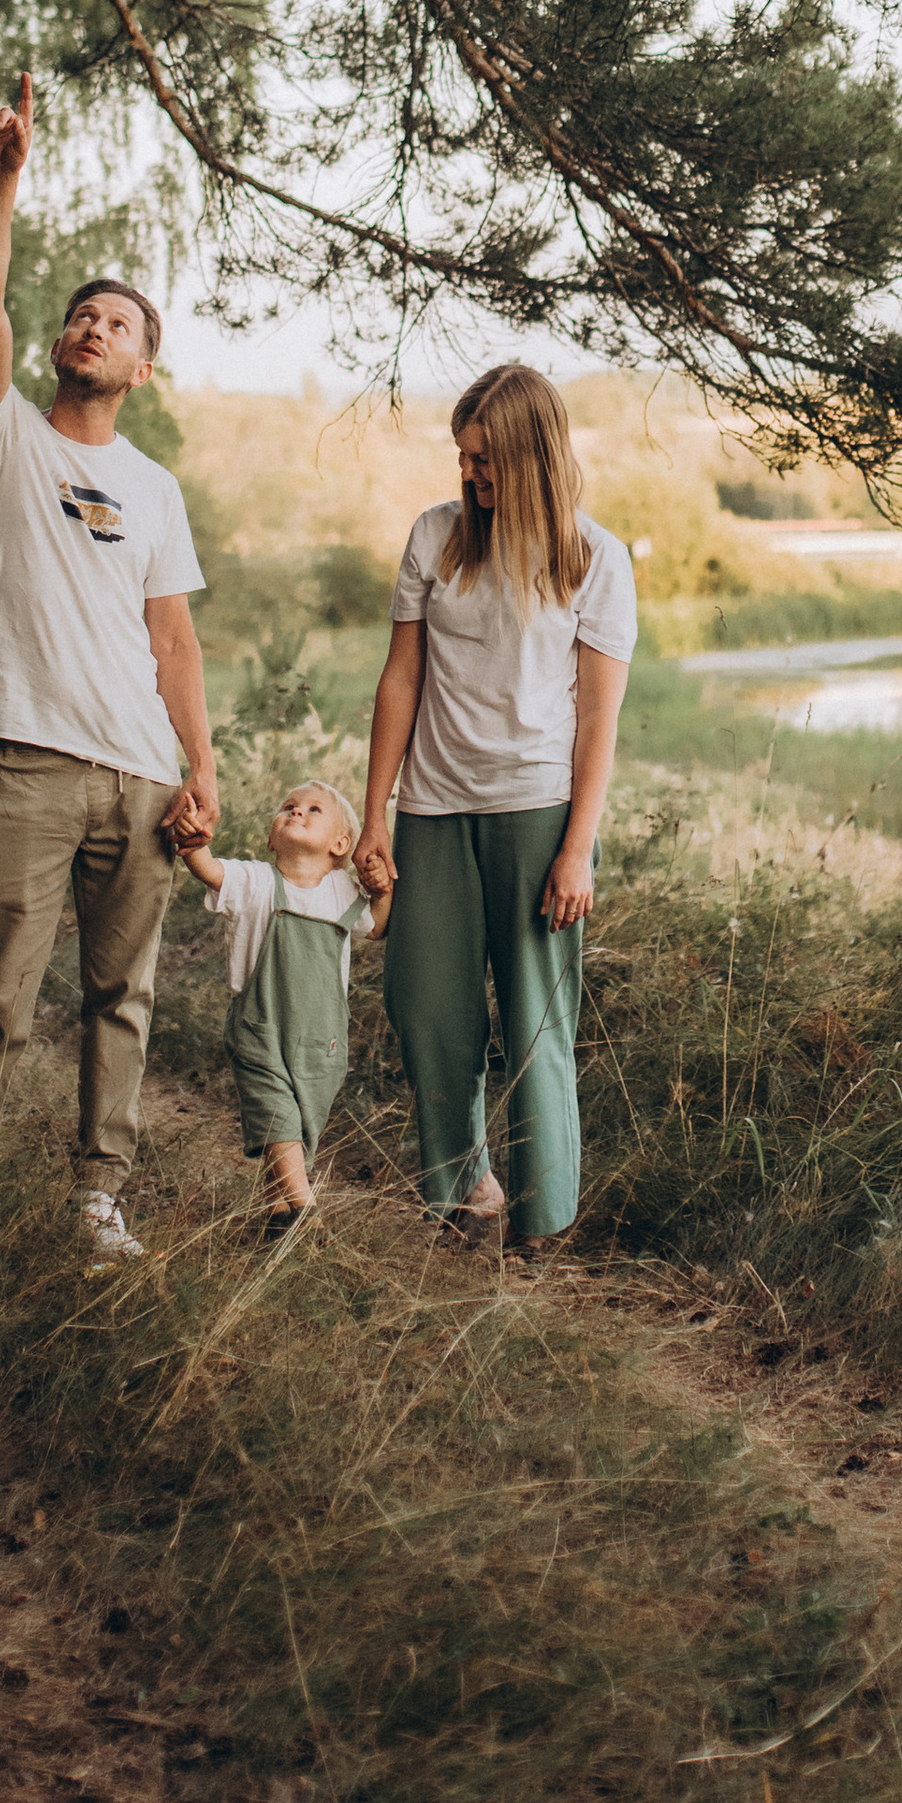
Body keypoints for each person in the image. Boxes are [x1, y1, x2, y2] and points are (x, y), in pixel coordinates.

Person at [0, 72, 218, 1269]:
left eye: (120, 324)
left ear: (143, 368)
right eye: (83, 315)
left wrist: (202, 770)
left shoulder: (155, 489)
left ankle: (97, 1200)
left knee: (120, 1004)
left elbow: (174, 640)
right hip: (26, 758)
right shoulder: (3, 440)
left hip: (140, 781)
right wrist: (3, 185)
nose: (94, 327)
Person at [352, 365, 635, 1252]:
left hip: (538, 811)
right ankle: (464, 1192)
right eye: (463, 457)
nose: (469, 474)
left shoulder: (595, 558)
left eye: (484, 459)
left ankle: (543, 1223)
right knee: (426, 1009)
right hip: (432, 810)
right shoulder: (435, 538)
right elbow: (400, 679)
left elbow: (599, 718)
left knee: (535, 1023)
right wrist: (373, 816)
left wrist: (577, 849)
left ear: (532, 455)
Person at [174, 780, 388, 1226]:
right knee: (276, 1112)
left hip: (322, 1036)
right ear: (271, 838)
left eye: (313, 810)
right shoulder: (254, 881)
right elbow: (209, 870)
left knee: (303, 1117)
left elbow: (376, 926)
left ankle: (276, 1208)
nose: (297, 813)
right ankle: (305, 1210)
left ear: (340, 845)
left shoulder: (343, 893)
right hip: (260, 1027)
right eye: (289, 807)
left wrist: (382, 888)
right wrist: (193, 843)